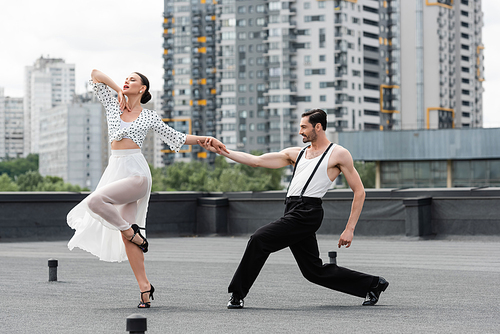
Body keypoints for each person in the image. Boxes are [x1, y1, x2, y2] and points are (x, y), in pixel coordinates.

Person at [67, 69, 227, 308]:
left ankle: (131, 232)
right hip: (115, 171)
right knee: (126, 234)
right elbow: (95, 74)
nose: (126, 81)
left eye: (132, 80)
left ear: (142, 89)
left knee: (94, 203)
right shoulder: (113, 106)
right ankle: (144, 286)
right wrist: (118, 90)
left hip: (136, 173)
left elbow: (177, 137)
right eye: (126, 78)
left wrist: (205, 139)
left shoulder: (149, 116)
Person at [199, 109, 388, 309]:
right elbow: (257, 161)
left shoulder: (338, 154)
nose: (300, 132)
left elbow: (359, 191)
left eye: (304, 127)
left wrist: (349, 228)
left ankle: (237, 294)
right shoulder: (296, 154)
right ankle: (374, 284)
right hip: (292, 209)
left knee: (259, 239)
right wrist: (223, 151)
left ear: (318, 127)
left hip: (308, 212)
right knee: (313, 272)